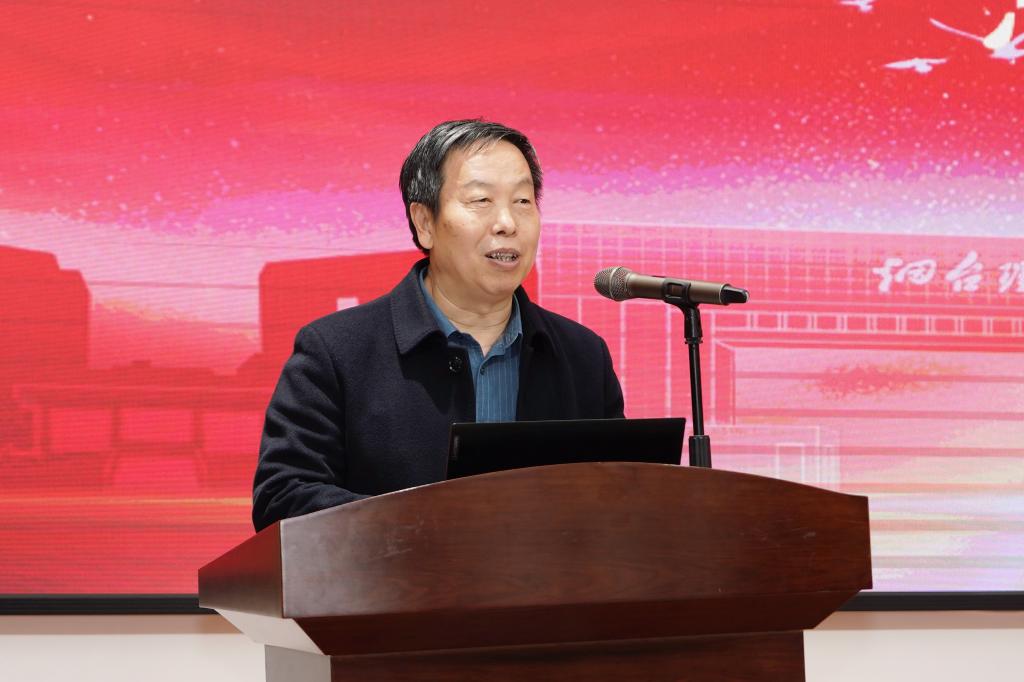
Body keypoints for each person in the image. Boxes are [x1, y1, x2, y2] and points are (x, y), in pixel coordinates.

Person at [252, 119, 624, 531]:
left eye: (522, 201)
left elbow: (621, 499)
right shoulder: (336, 351)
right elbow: (283, 497)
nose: (507, 222)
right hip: (394, 573)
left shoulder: (583, 356)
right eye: (481, 200)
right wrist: (429, 527)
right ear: (425, 223)